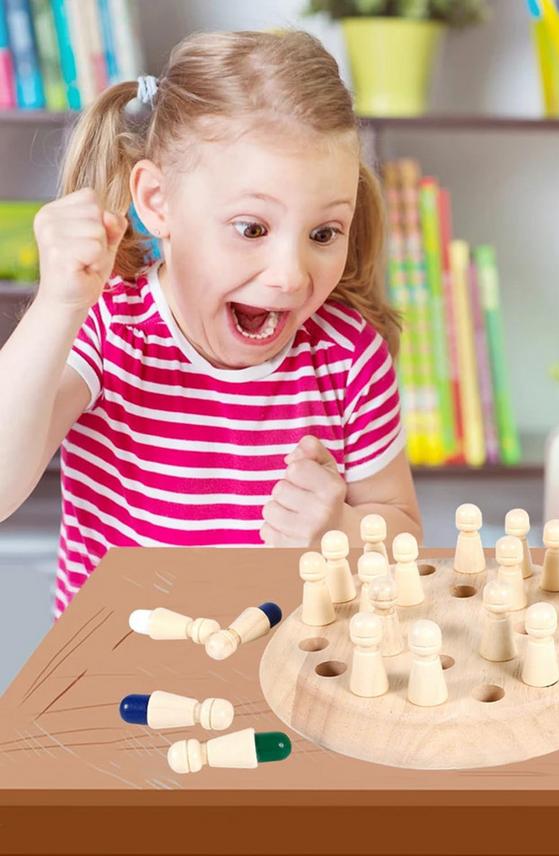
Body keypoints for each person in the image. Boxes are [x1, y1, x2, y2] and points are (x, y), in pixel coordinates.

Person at [0, 30, 422, 618]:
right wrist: (57, 304)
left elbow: (403, 534)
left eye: (324, 233)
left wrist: (343, 531)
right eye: (252, 229)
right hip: (117, 667)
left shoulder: (348, 357)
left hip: (290, 664)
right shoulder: (109, 329)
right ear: (157, 202)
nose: (289, 276)